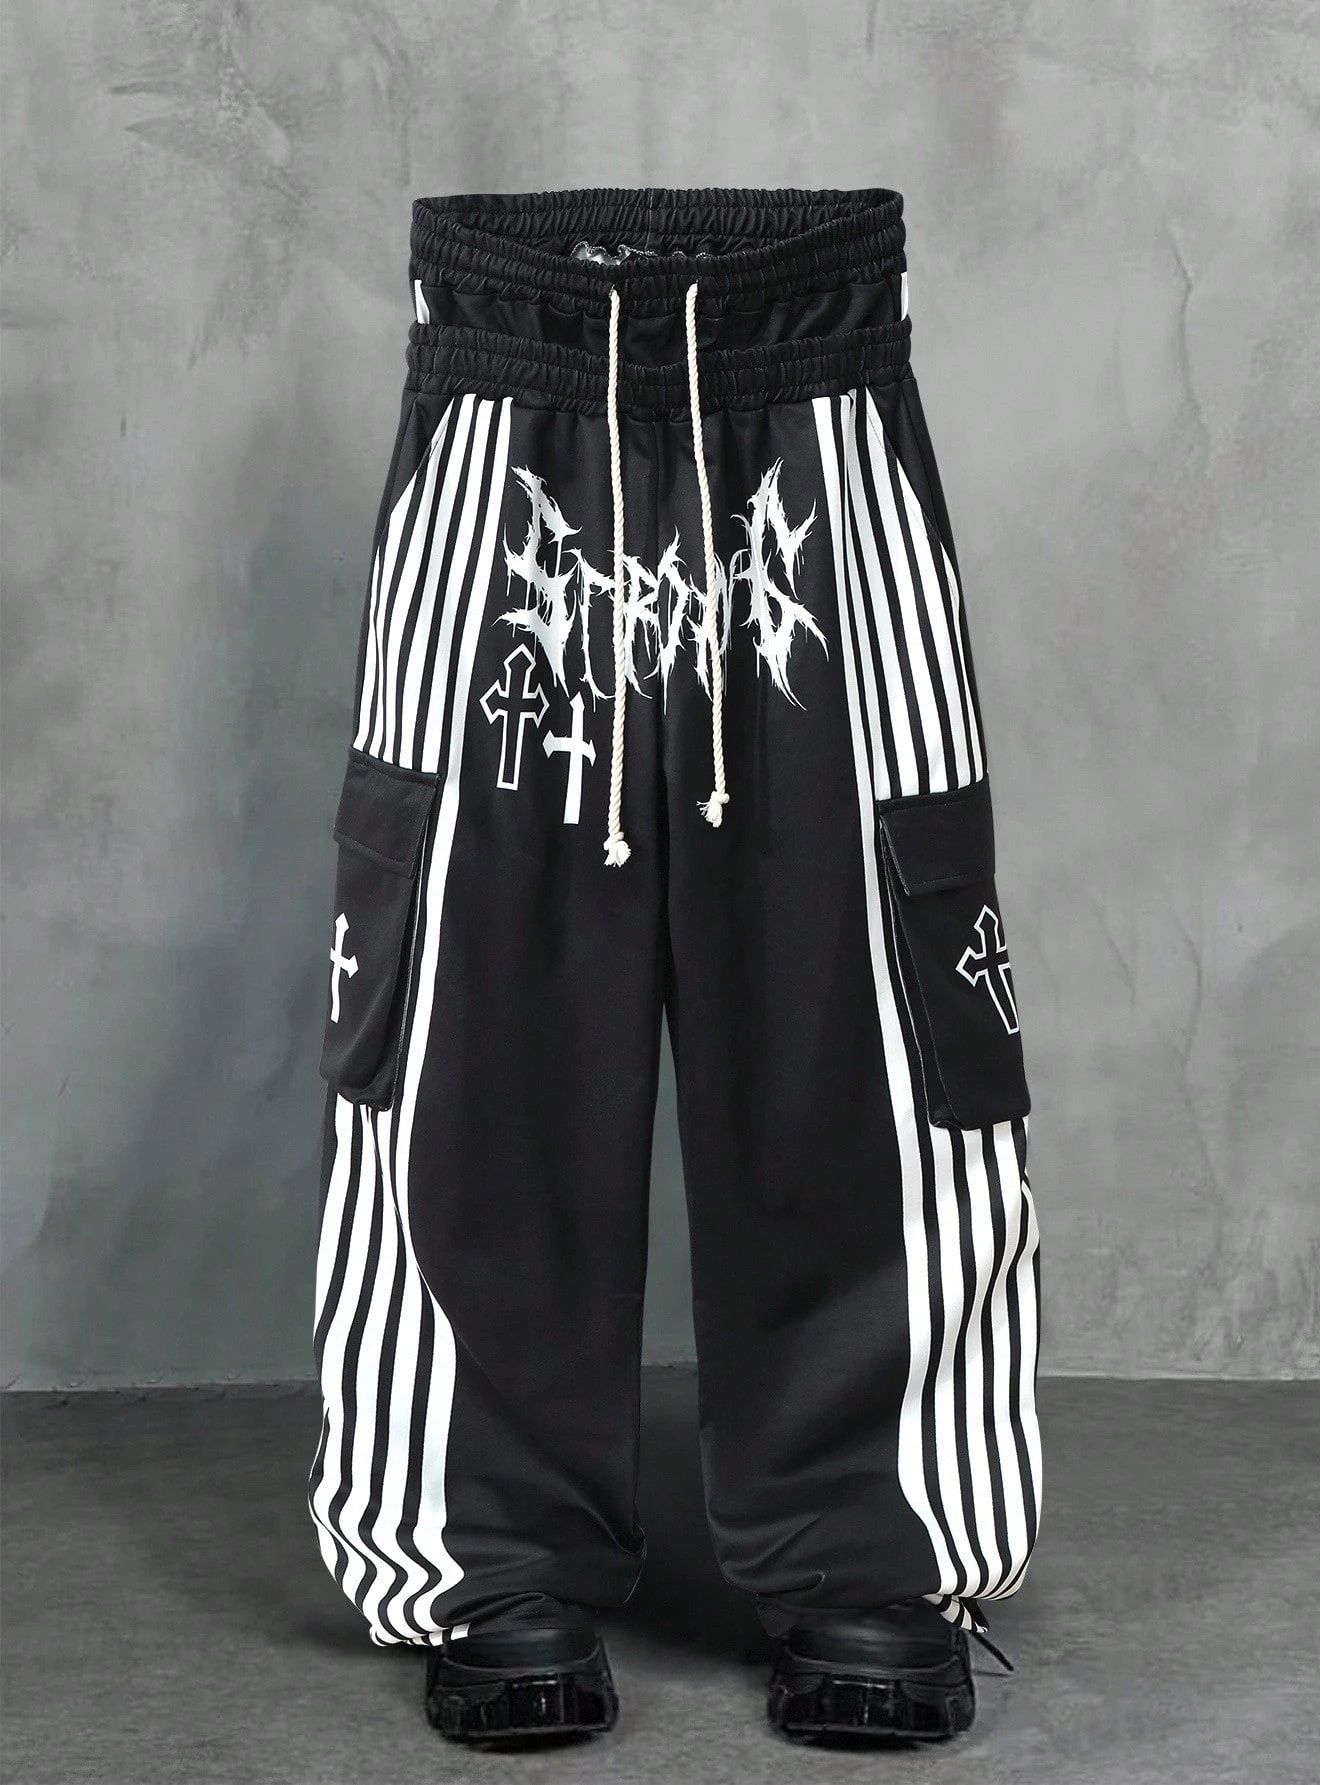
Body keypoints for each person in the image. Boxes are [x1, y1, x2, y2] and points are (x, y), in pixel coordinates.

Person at [306, 185, 1042, 1747]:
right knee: (461, 1028)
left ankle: (881, 1539)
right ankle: (484, 1547)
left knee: (873, 1016)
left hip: (817, 412)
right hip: (506, 412)